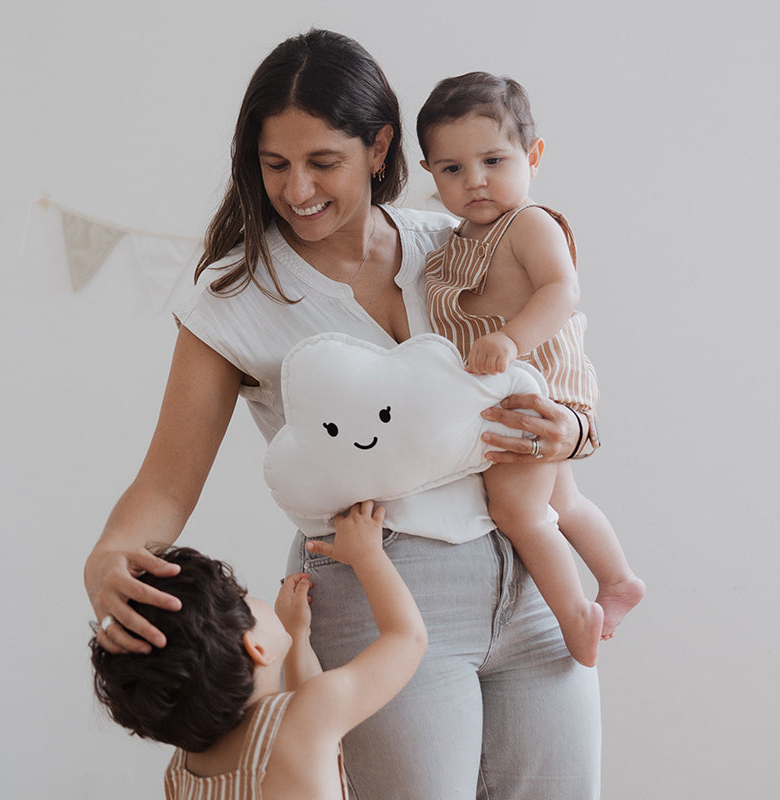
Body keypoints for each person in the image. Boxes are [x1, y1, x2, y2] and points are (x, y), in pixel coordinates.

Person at [85, 29, 604, 799]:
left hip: (530, 576)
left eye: (322, 162)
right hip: (379, 592)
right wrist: (110, 555)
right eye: (275, 165)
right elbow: (167, 480)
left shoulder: (457, 241)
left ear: (380, 145)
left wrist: (574, 431)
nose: (297, 190)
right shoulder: (231, 300)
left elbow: (556, 356)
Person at [417, 72, 644, 666]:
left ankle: (574, 617)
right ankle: (618, 579)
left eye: (493, 159)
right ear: (429, 172)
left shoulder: (530, 224)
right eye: (452, 170)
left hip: (538, 388)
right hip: (513, 392)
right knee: (563, 503)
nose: (476, 181)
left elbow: (561, 291)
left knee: (517, 511)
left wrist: (510, 339)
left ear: (533, 156)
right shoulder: (454, 241)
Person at [90, 501, 426, 800]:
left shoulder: (181, 771)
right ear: (256, 647)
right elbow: (406, 638)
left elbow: (299, 713)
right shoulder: (309, 717)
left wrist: (297, 635)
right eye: (242, 597)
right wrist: (367, 554)